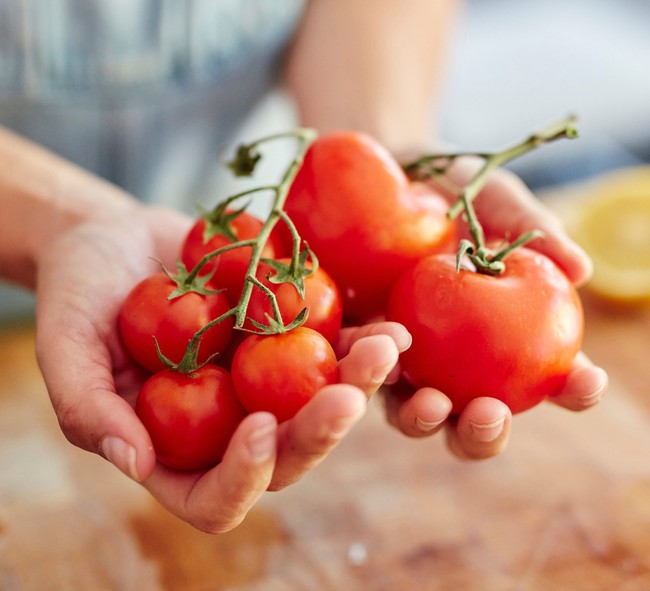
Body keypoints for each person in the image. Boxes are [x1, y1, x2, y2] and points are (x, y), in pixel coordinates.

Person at [0, 0, 606, 533]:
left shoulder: (274, 286)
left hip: (262, 238)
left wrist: (374, 147)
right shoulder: (261, 302)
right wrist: (54, 223)